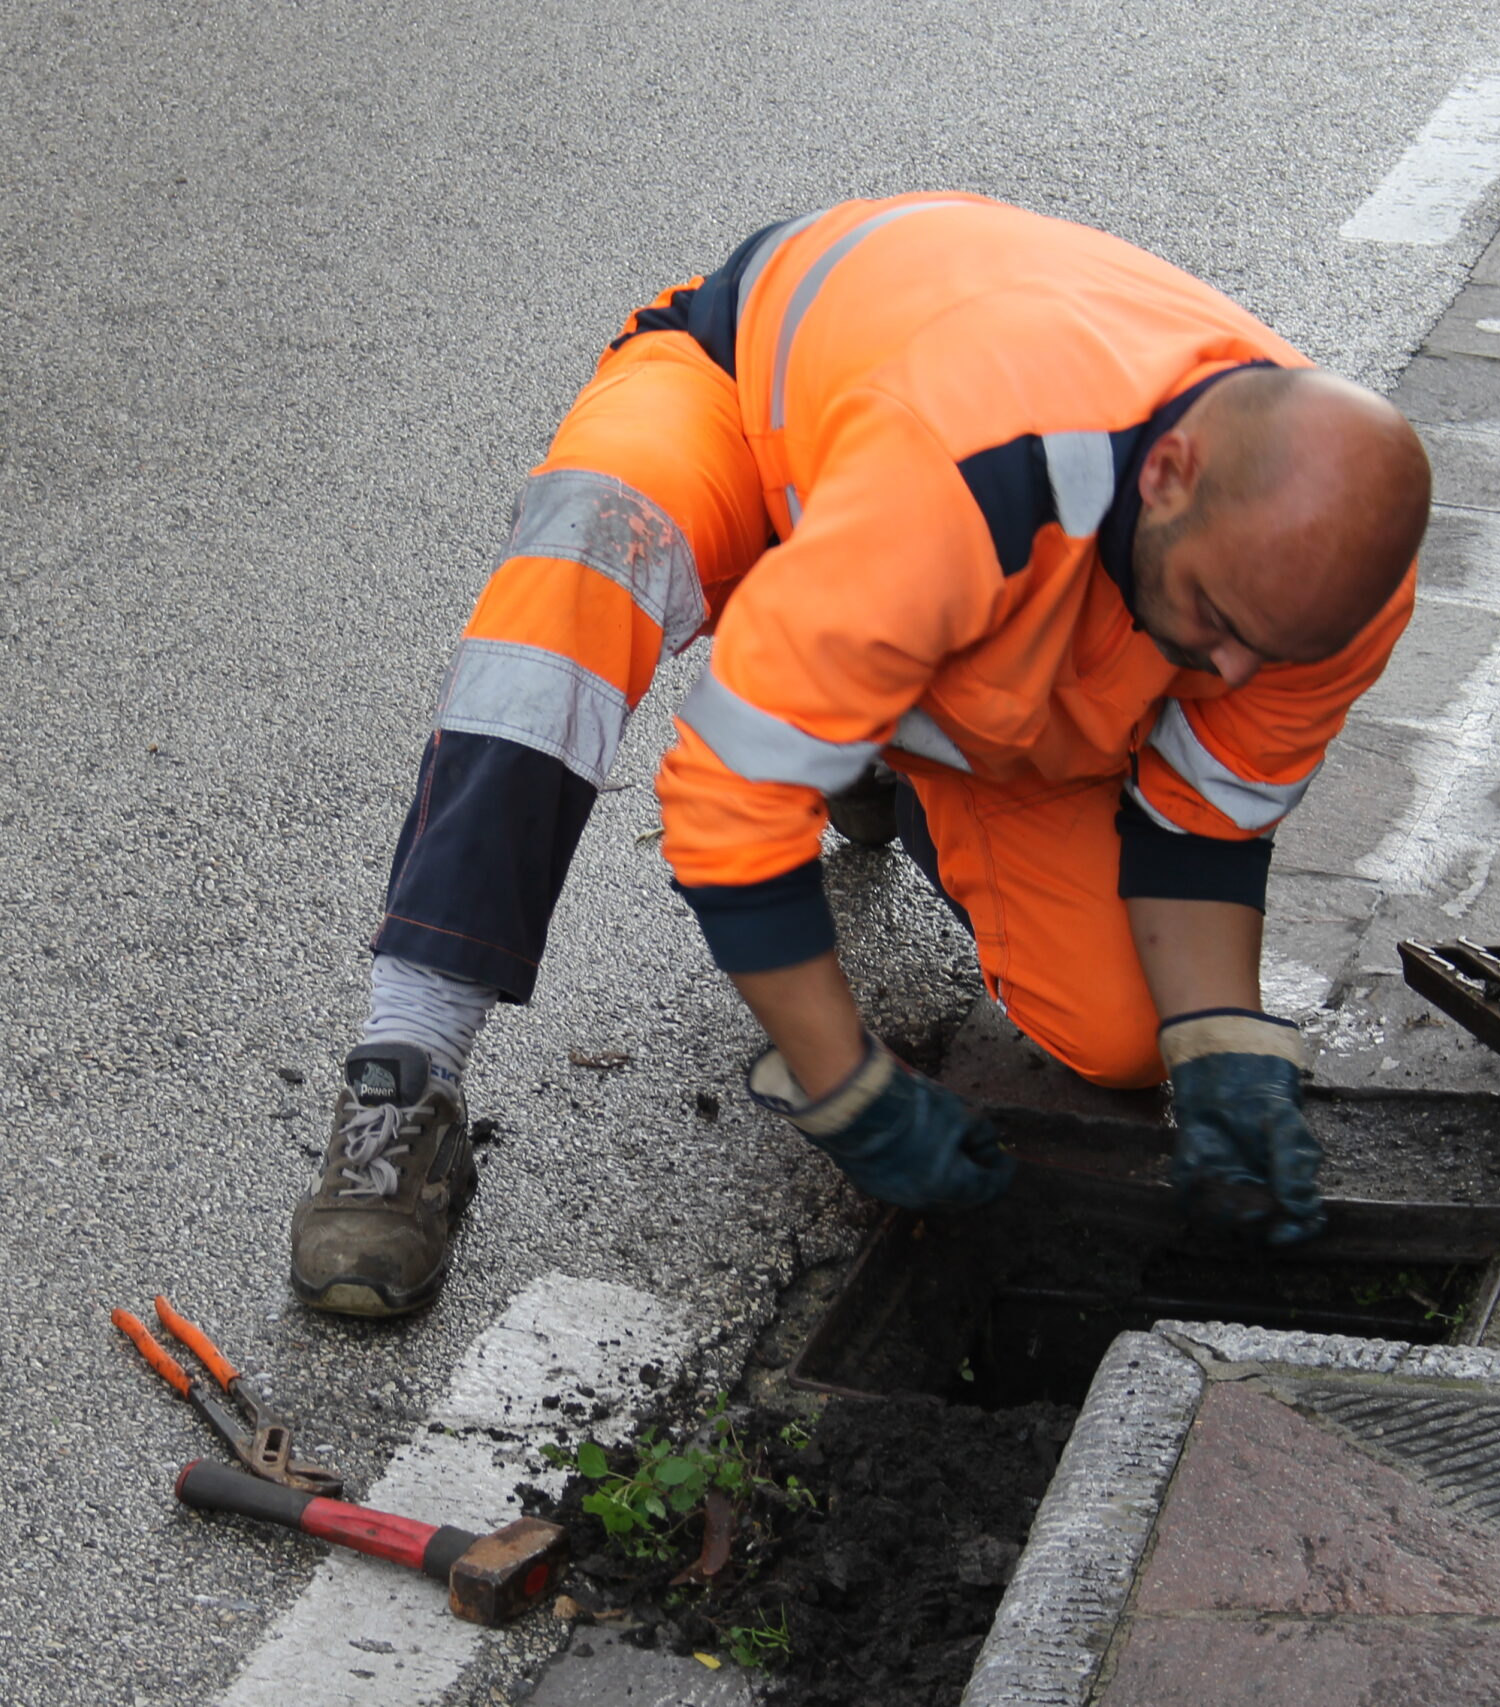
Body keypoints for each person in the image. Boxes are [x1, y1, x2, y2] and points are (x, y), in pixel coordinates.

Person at [290, 193, 1429, 1318]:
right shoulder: (976, 480)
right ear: (1170, 474)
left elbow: (1202, 826)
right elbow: (727, 806)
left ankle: (864, 734)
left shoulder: (1321, 582)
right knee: (585, 558)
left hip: (923, 577)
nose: (1233, 671)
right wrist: (844, 1085)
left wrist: (1222, 1054)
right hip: (746, 413)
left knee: (1127, 1037)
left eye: (1268, 649)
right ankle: (405, 1073)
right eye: (1217, 619)